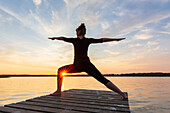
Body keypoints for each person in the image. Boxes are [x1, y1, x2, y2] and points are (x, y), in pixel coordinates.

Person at [48, 23, 127, 99]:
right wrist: (115, 39)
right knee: (103, 79)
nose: (76, 33)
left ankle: (58, 91)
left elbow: (63, 38)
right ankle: (122, 94)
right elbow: (102, 40)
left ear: (79, 32)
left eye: (76, 31)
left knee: (60, 70)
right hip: (83, 65)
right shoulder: (86, 40)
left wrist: (55, 38)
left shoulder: (77, 40)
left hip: (80, 66)